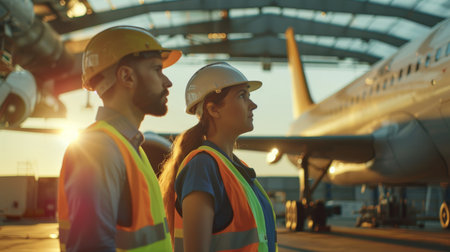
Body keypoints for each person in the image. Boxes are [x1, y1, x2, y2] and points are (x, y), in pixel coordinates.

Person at [57, 26, 181, 252]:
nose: (167, 82)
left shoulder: (130, 148)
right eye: (157, 70)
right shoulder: (99, 149)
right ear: (126, 76)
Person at [159, 62, 277, 252]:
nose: (253, 105)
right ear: (213, 110)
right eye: (242, 96)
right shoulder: (202, 167)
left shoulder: (235, 169)